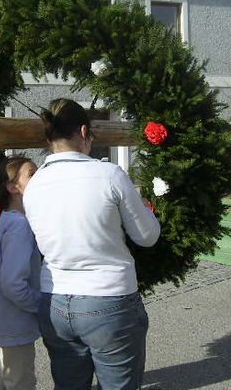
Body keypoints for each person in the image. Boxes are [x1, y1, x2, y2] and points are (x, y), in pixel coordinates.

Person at [23, 98, 161, 390]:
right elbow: (147, 236)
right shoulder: (109, 174)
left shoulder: (34, 184)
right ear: (85, 132)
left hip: (55, 298)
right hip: (108, 298)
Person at [0, 156, 41, 390]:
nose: (40, 176)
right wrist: (41, 306)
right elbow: (14, 284)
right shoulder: (18, 224)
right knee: (19, 382)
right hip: (13, 323)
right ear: (13, 187)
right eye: (32, 174)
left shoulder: (0, 219)